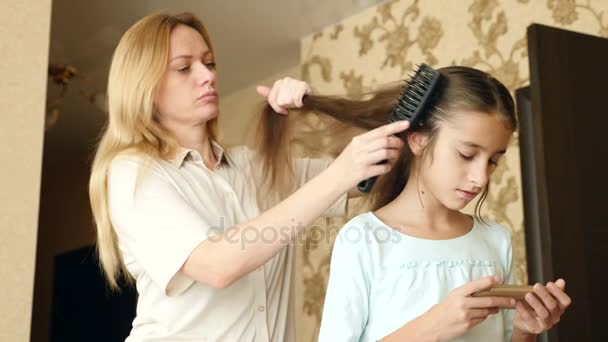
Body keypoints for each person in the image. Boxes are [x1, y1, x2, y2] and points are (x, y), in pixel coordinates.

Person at [88, 12, 410, 342]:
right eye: (185, 68)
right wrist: (339, 174)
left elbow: (369, 172)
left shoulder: (251, 167)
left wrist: (314, 107)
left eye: (209, 63)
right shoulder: (134, 173)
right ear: (145, 86)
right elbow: (217, 266)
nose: (207, 76)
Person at [271, 66, 571, 341]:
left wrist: (524, 330)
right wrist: (433, 326)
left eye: (493, 160)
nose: (480, 177)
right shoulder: (363, 239)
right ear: (418, 140)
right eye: (467, 155)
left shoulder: (495, 239)